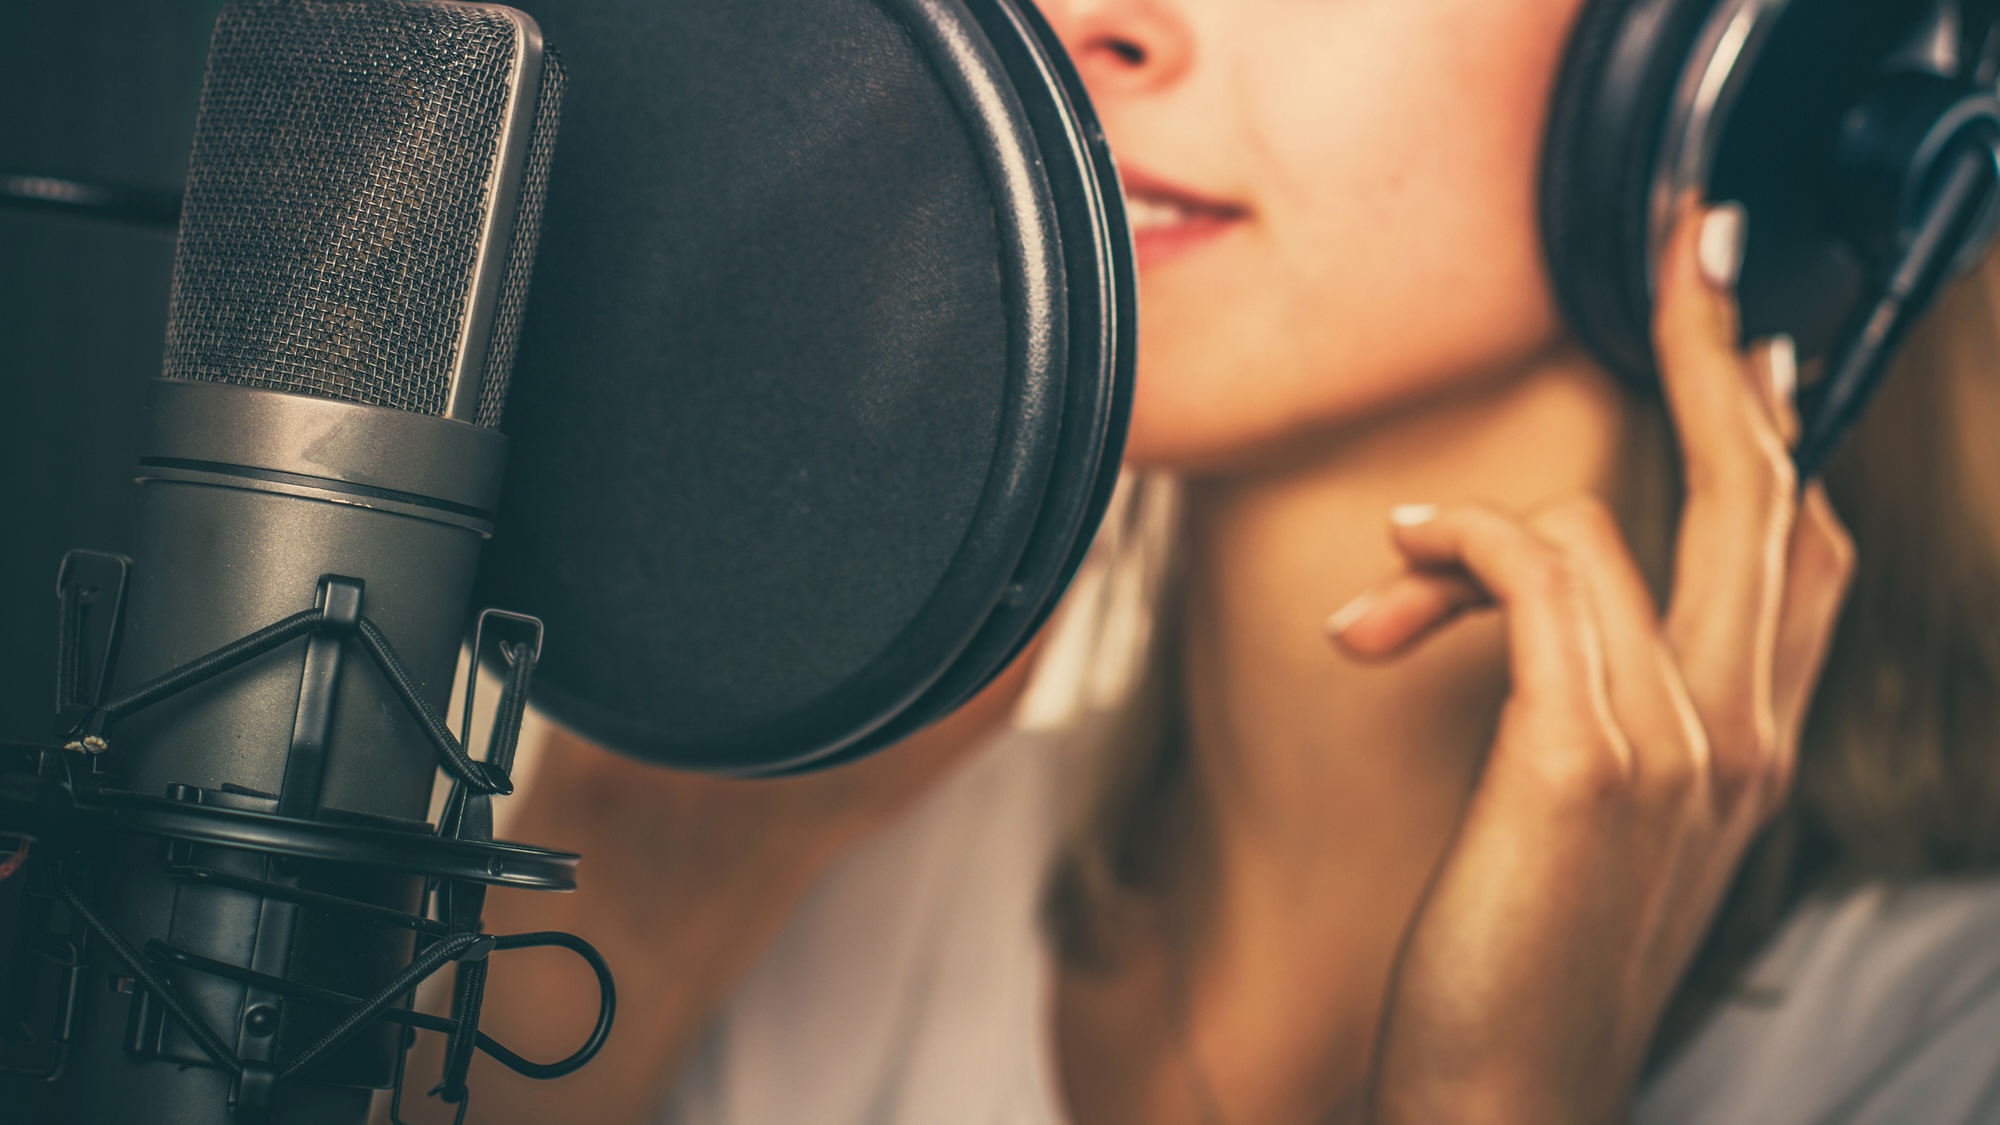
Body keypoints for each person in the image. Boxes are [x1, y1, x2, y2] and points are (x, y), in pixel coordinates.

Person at [401, 1, 2000, 1122]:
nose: (1094, 26)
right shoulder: (826, 896)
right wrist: (653, 887)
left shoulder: (1948, 1051)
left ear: (1743, 54)